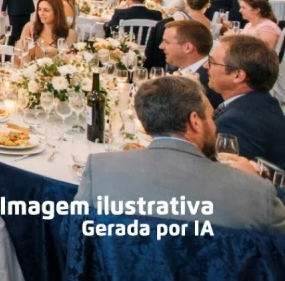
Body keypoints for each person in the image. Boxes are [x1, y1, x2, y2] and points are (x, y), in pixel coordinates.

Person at [74, 75, 285, 231]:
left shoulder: (99, 170)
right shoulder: (256, 192)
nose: (214, 126)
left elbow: (76, 235)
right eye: (211, 118)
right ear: (195, 121)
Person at [208, 35, 285, 169]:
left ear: (238, 75)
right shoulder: (262, 103)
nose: (205, 66)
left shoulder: (237, 122)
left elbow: (230, 179)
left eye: (212, 62)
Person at [160, 20, 222, 108]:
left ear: (188, 48)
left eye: (167, 42)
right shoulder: (178, 69)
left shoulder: (209, 82)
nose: (161, 46)